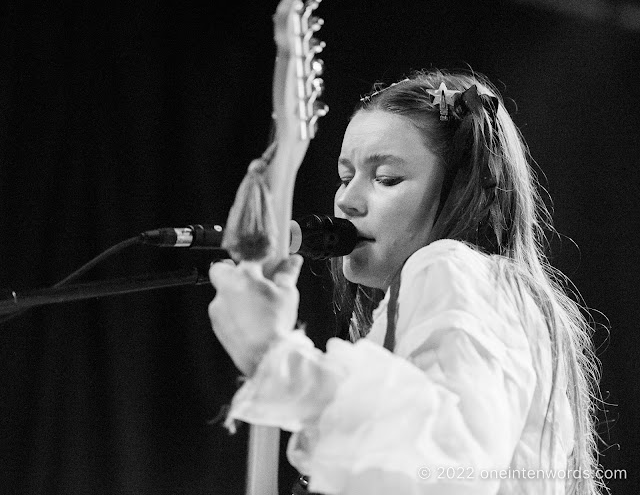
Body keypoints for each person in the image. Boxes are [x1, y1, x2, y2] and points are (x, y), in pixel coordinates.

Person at [207, 68, 605, 495]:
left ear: (462, 189)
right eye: (345, 178)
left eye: (385, 179)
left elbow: (438, 468)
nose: (346, 200)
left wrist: (276, 357)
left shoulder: (448, 267)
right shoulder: (493, 295)